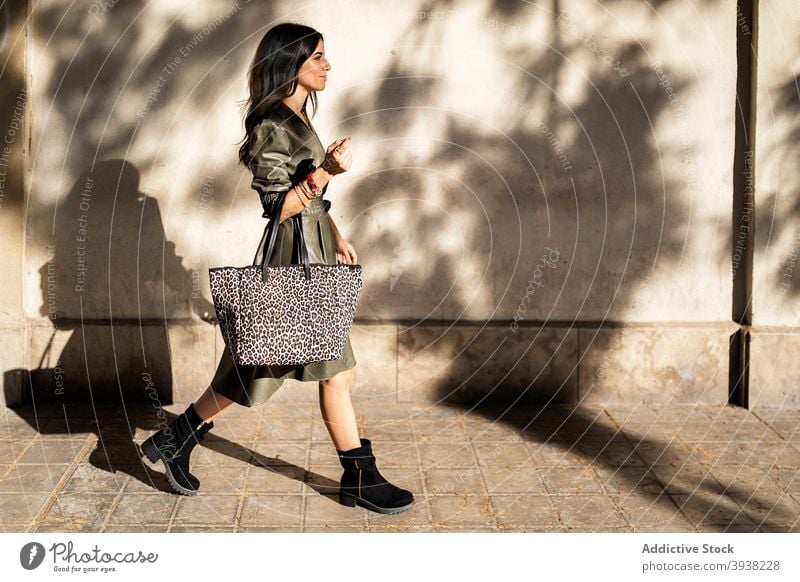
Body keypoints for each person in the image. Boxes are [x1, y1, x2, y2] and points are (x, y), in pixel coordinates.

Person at [139, 22, 414, 515]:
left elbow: (310, 201)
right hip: (294, 258)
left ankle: (356, 476)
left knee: (323, 370)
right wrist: (327, 170)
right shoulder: (272, 125)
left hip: (314, 251)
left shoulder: (297, 120)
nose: (327, 65)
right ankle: (179, 438)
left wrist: (335, 233)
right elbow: (278, 206)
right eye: (317, 58)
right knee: (267, 366)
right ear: (290, 65)